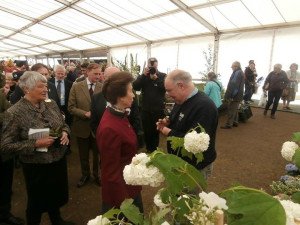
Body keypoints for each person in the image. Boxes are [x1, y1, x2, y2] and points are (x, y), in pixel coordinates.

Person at [0, 71, 73, 225]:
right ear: (27, 89)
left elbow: (63, 123)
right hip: (36, 166)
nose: (46, 89)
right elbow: (5, 146)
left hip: (57, 160)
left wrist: (66, 132)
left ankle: (57, 220)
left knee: (55, 196)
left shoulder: (50, 103)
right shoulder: (14, 113)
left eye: (46, 85)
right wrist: (36, 143)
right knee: (37, 203)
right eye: (41, 86)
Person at [156, 69, 218, 178]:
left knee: (189, 194)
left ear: (181, 86)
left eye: (169, 90)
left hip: (194, 167)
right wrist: (167, 121)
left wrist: (167, 131)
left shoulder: (204, 107)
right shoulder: (181, 99)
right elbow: (177, 117)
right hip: (180, 162)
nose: (168, 94)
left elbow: (195, 142)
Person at [96, 71, 143, 214]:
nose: (134, 95)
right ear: (120, 97)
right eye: (130, 91)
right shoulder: (110, 128)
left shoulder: (119, 114)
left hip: (129, 182)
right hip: (123, 191)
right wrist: (124, 204)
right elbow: (110, 173)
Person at [90, 67, 143, 148]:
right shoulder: (96, 98)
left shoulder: (130, 95)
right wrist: (102, 138)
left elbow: (136, 118)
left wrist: (132, 138)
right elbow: (94, 122)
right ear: (104, 78)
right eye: (113, 78)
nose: (117, 82)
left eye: (119, 78)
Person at [68, 63, 102, 187]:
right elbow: (71, 107)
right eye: (95, 74)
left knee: (97, 154)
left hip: (97, 128)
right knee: (83, 155)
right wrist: (84, 114)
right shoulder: (76, 86)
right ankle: (85, 175)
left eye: (99, 74)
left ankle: (96, 175)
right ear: (87, 72)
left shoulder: (102, 87)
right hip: (81, 126)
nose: (98, 76)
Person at [0, 85, 24, 225]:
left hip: (4, 148)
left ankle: (4, 214)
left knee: (5, 184)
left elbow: (10, 112)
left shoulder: (0, 96)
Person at [133, 57, 166, 152]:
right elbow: (135, 87)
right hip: (146, 109)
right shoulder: (144, 76)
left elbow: (165, 88)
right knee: (147, 131)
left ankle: (154, 149)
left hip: (158, 109)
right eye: (150, 67)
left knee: (156, 131)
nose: (152, 69)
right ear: (147, 65)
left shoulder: (163, 76)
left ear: (157, 65)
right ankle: (148, 148)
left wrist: (157, 79)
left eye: (153, 67)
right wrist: (143, 75)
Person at [220, 61, 245, 129]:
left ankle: (229, 124)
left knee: (231, 109)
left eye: (232, 66)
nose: (231, 67)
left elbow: (234, 86)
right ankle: (235, 122)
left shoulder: (237, 73)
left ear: (236, 66)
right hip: (238, 95)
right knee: (235, 109)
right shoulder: (240, 72)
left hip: (235, 96)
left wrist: (231, 96)